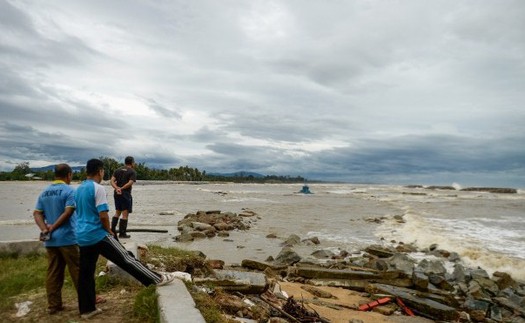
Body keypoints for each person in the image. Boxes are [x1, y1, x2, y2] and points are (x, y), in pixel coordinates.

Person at [75, 158, 176, 319]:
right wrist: (109, 231)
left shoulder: (78, 188)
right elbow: (103, 215)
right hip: (97, 234)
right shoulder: (98, 188)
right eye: (102, 172)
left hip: (82, 236)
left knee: (85, 273)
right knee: (126, 259)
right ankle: (156, 279)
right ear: (100, 171)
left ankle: (87, 309)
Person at [33, 163, 79, 315]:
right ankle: (87, 301)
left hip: (50, 240)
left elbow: (37, 213)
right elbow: (69, 212)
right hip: (68, 238)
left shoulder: (44, 193)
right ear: (69, 175)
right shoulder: (69, 191)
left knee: (53, 272)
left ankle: (54, 305)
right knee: (78, 271)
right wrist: (54, 227)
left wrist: (45, 229)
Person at [110, 156, 137, 238]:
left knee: (117, 212)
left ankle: (112, 231)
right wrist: (121, 188)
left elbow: (111, 181)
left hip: (117, 193)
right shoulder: (132, 172)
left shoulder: (117, 170)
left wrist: (117, 188)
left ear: (125, 162)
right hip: (125, 194)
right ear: (132, 163)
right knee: (125, 214)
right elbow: (130, 183)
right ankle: (122, 233)